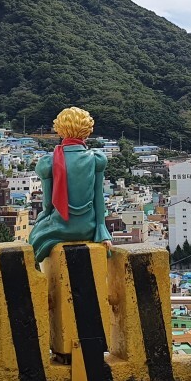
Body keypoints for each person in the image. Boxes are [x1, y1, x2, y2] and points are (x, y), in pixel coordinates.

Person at [28, 107, 112, 265]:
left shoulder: (49, 162)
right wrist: (101, 230)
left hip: (61, 227)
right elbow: (99, 198)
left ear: (60, 130)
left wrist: (42, 219)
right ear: (87, 131)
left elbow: (48, 205)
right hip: (89, 227)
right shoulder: (96, 158)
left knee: (32, 242)